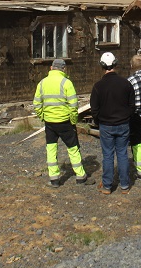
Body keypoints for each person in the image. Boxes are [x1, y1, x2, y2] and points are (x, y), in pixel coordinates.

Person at [33, 59, 92, 188]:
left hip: (49, 122)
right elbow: (73, 104)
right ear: (64, 69)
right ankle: (80, 176)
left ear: (51, 68)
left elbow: (36, 104)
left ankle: (54, 179)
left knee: (51, 149)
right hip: (65, 121)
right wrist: (73, 119)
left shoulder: (42, 83)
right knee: (73, 149)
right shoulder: (67, 83)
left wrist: (43, 116)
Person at [90, 52, 135, 195]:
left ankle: (107, 186)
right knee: (122, 154)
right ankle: (125, 185)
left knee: (108, 155)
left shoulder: (98, 86)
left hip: (106, 125)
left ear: (102, 65)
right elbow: (132, 106)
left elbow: (94, 109)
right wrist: (127, 118)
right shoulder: (126, 83)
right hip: (123, 124)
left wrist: (98, 122)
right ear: (115, 64)